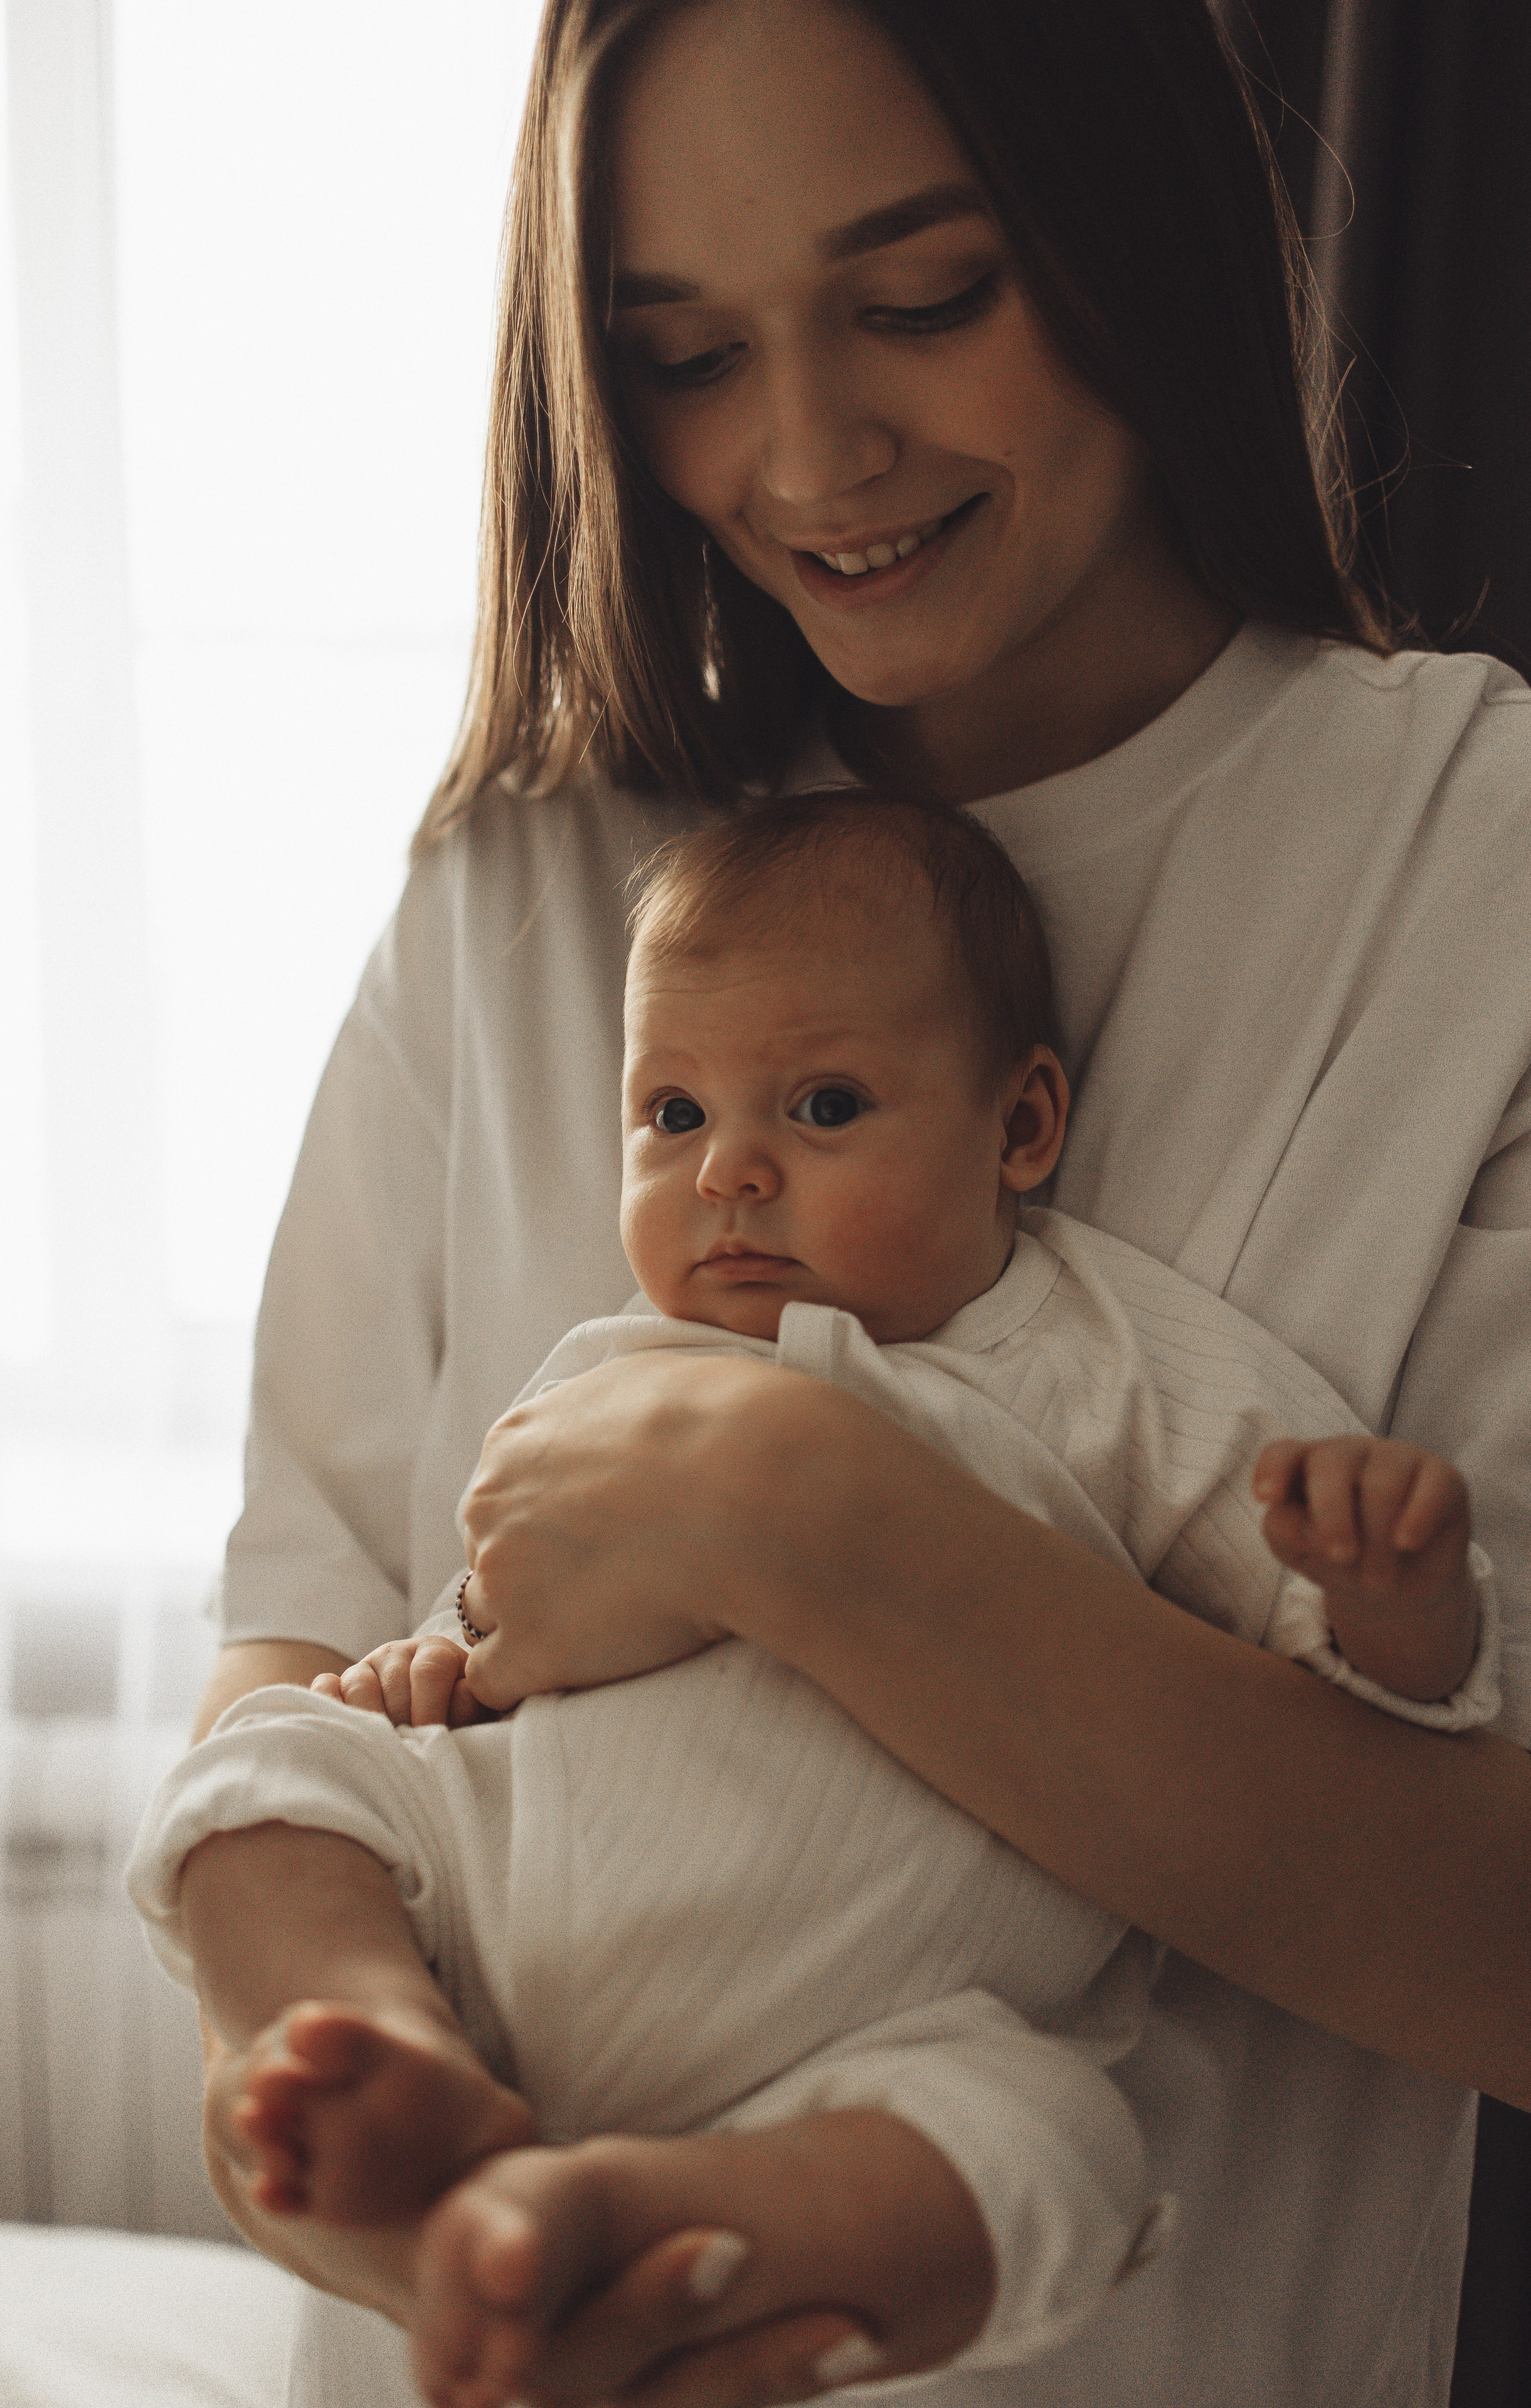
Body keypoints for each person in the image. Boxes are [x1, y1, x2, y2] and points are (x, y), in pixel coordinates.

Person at [181, 3, 1531, 2404]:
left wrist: (796, 1508)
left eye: (925, 300)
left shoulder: (1474, 872)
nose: (806, 454)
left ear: (1139, 233)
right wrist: (358, 2107)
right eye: (679, 351)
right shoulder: (520, 889)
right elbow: (297, 1676)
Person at [137, 795, 1500, 2408]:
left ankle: (654, 2219)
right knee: (260, 1779)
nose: (727, 1171)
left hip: (889, 2015)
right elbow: (490, 1629)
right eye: (668, 1113)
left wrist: (1395, 1592)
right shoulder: (608, 1361)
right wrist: (424, 1679)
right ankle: (378, 2044)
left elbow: (1357, 1679)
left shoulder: (1096, 1358)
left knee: (1048, 2148)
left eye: (824, 1105)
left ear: (1020, 1129)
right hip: (514, 1925)